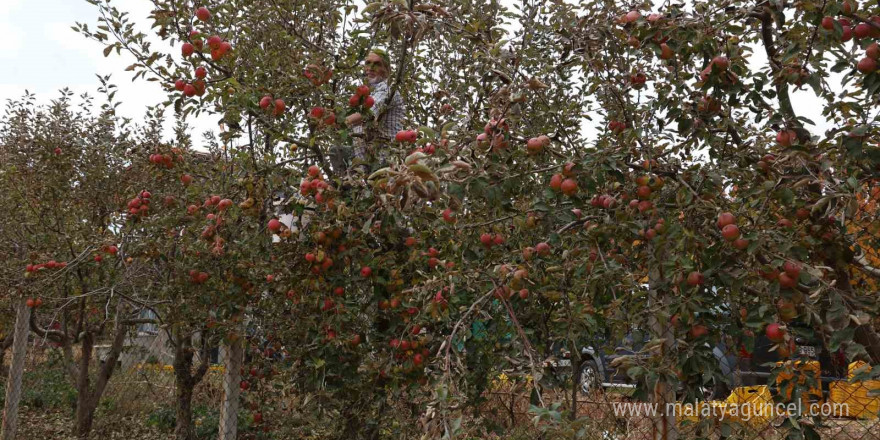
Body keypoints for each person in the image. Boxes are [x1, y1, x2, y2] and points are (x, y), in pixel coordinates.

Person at [332, 49, 405, 174]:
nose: (371, 68)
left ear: (387, 71)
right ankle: (347, 185)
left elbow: (369, 114)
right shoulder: (366, 95)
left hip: (383, 160)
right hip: (364, 160)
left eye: (377, 64)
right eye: (368, 63)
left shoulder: (387, 90)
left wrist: (341, 122)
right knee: (336, 151)